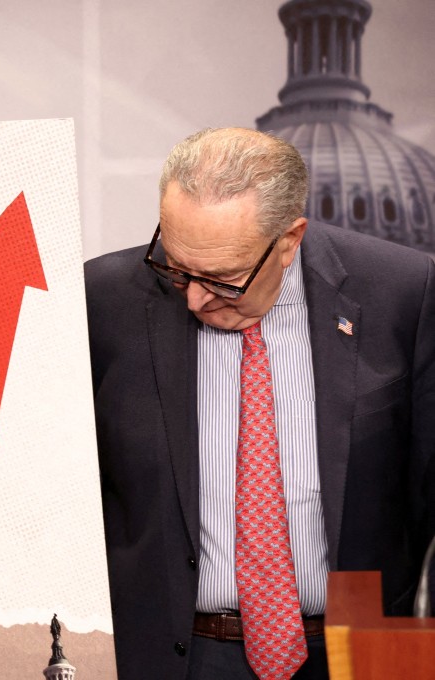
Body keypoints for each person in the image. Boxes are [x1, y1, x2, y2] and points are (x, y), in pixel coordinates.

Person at [85, 127, 435, 680]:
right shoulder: (102, 300)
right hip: (178, 656)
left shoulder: (402, 290)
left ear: (289, 239)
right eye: (176, 267)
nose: (194, 298)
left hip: (365, 650)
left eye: (223, 279)